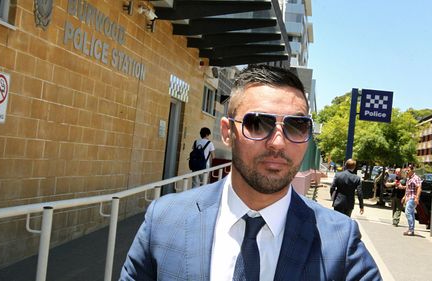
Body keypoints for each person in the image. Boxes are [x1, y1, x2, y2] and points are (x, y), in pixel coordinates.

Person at [119, 65, 381, 280]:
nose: (278, 142)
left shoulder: (340, 243)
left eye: (296, 126)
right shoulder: (164, 221)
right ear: (227, 132)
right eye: (258, 124)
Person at [402, 164, 422, 236]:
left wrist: (417, 198)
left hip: (413, 197)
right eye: (407, 170)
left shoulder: (416, 178)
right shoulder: (408, 178)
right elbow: (407, 188)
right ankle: (411, 229)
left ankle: (411, 229)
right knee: (411, 213)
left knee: (407, 212)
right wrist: (404, 197)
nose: (407, 171)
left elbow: (419, 188)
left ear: (412, 170)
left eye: (408, 170)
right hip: (408, 197)